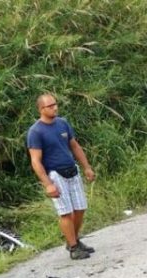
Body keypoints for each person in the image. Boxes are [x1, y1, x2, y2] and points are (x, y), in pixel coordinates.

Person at [27, 94, 96, 260]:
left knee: (80, 208)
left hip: (72, 170)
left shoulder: (63, 123)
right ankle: (73, 248)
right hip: (55, 174)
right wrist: (48, 184)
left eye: (55, 104)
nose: (55, 108)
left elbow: (74, 146)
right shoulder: (35, 132)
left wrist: (86, 167)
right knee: (65, 213)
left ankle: (74, 239)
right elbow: (36, 161)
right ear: (41, 109)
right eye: (50, 106)